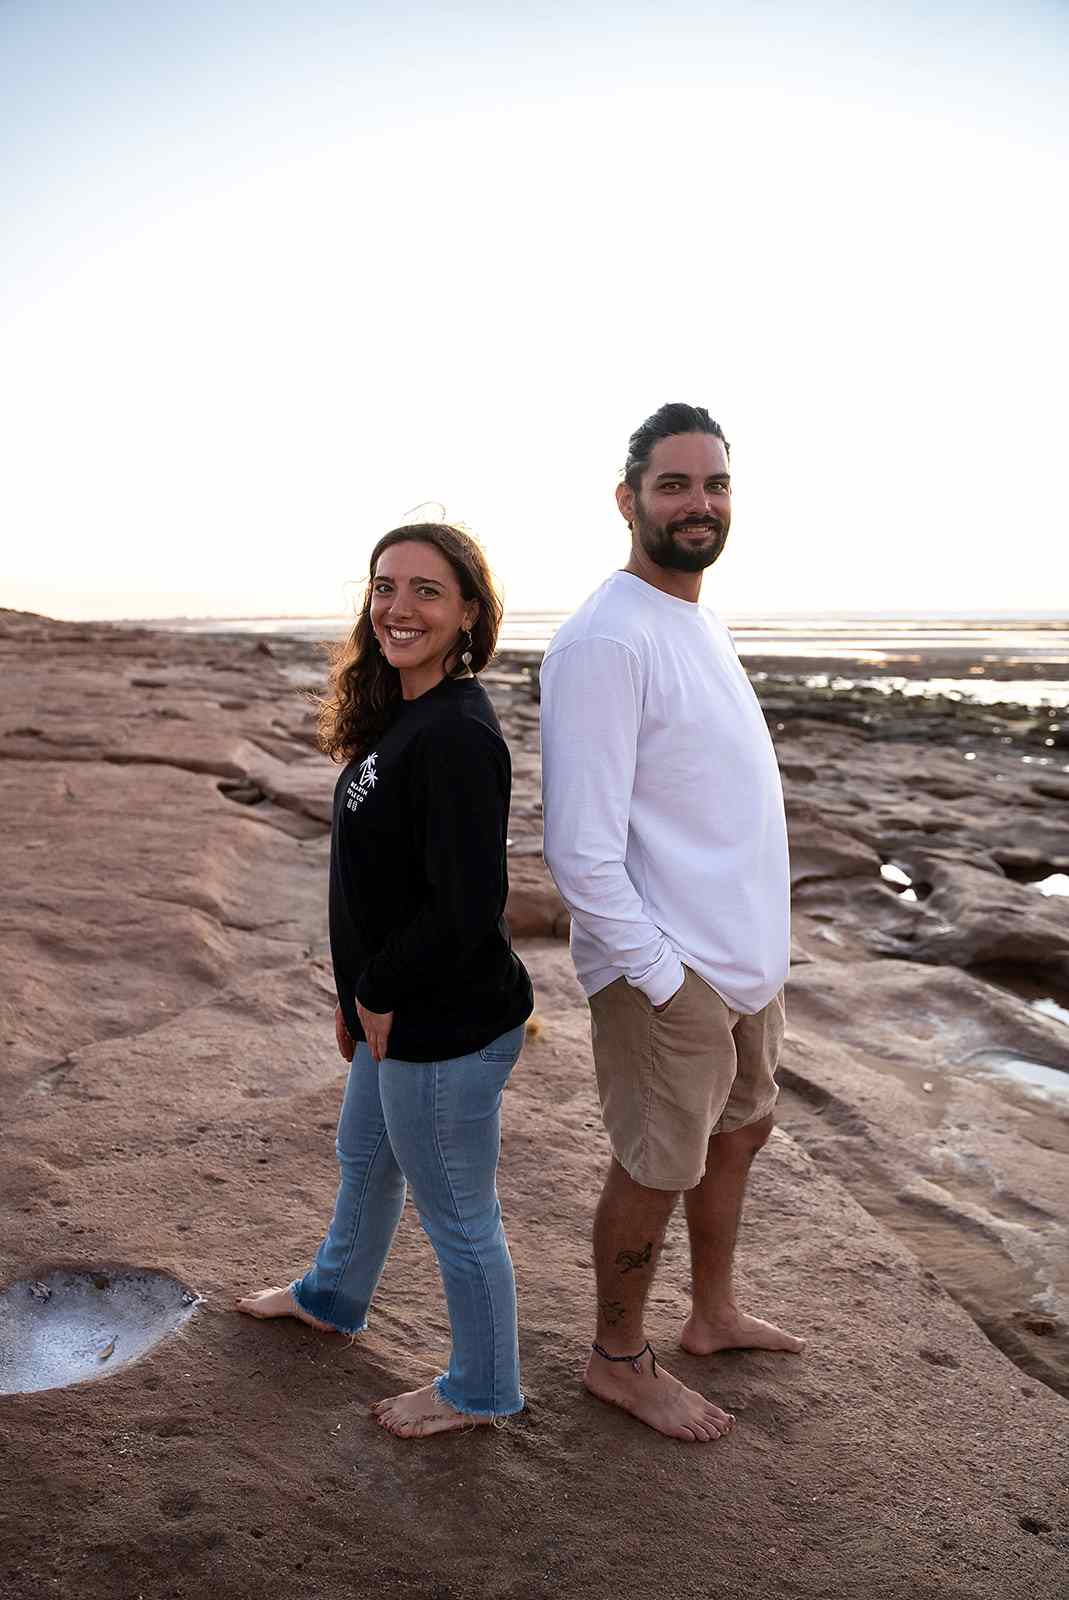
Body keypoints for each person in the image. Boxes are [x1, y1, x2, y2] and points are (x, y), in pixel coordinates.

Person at [539, 403, 803, 1444]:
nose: (699, 503)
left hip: (743, 959)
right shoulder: (605, 637)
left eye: (715, 484)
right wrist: (656, 975)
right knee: (655, 1162)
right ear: (628, 499)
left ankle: (712, 1314)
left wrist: (754, 959)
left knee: (741, 1131)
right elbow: (579, 845)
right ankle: (616, 1358)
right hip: (669, 967)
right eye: (675, 484)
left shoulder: (692, 619)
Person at [237, 522, 534, 1439]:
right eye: (384, 587)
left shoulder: (454, 734)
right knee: (365, 1160)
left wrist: (376, 990)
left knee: (457, 1213)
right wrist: (351, 997)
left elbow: (467, 902)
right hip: (392, 1012)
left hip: (443, 1024)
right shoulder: (403, 715)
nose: (398, 608)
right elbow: (373, 886)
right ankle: (332, 1295)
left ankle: (481, 1389)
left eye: (426, 591)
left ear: (469, 613)